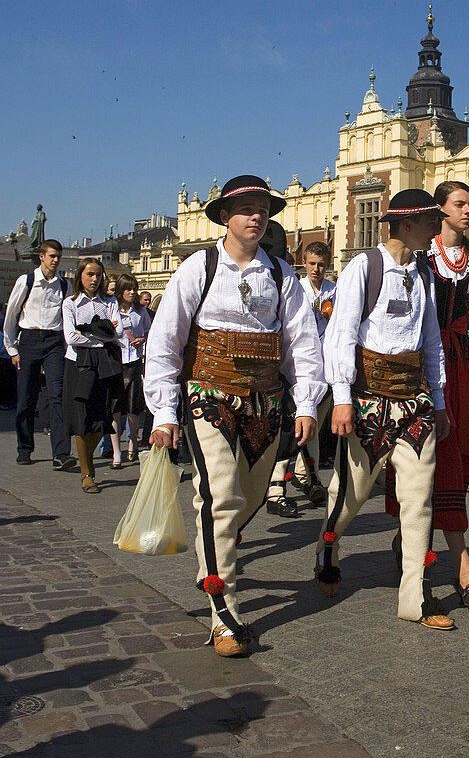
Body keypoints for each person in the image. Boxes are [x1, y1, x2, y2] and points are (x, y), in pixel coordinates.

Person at [144, 175, 325, 657]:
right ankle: (224, 610)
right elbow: (165, 343)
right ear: (225, 216)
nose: (256, 215)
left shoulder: (283, 275)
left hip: (266, 401)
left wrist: (306, 404)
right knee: (220, 495)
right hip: (210, 393)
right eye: (245, 207)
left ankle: (213, 551)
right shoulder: (196, 269)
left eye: (263, 207)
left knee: (246, 499)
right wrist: (164, 414)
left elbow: (303, 346)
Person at [316, 188, 453, 631]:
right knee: (351, 494)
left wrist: (441, 401)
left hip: (415, 402)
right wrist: (341, 400)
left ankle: (415, 594)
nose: (437, 228)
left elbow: (431, 341)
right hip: (369, 400)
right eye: (431, 221)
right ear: (407, 224)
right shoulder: (366, 266)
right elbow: (340, 335)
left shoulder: (426, 273)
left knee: (418, 500)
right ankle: (328, 547)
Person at [386, 181, 469, 607]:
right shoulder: (419, 260)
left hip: (462, 370)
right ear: (441, 210)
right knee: (430, 458)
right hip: (424, 370)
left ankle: (411, 541)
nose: (468, 211)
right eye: (460, 204)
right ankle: (461, 565)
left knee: (459, 457)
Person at [266, 241, 335, 514]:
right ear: (303, 264)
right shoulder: (296, 288)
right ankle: (276, 485)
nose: (316, 269)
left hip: (326, 369)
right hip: (296, 368)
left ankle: (310, 477)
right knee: (291, 428)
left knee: (313, 428)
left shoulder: (335, 290)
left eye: (321, 264)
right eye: (312, 264)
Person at [3, 239, 75, 469]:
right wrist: (12, 349)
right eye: (52, 256)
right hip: (29, 340)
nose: (56, 261)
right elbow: (11, 316)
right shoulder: (27, 281)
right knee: (26, 397)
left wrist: (67, 347)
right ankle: (24, 448)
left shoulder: (64, 285)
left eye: (59, 257)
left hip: (54, 342)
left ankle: (61, 453)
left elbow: (67, 318)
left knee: (58, 395)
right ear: (41, 256)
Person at [62, 258, 125, 493]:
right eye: (89, 274)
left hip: (105, 364)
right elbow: (71, 337)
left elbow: (116, 333)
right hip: (78, 364)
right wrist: (100, 334)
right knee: (82, 418)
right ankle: (87, 472)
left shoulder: (109, 302)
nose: (94, 279)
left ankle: (86, 459)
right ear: (80, 276)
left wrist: (88, 331)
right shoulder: (71, 303)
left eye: (98, 274)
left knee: (102, 418)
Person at [109, 274, 151, 467]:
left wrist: (143, 339)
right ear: (120, 291)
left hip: (134, 361)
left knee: (133, 408)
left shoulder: (140, 311)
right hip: (116, 361)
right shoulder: (111, 309)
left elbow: (149, 331)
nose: (133, 292)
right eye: (129, 289)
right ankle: (116, 452)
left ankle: (133, 441)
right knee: (115, 408)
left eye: (134, 288)